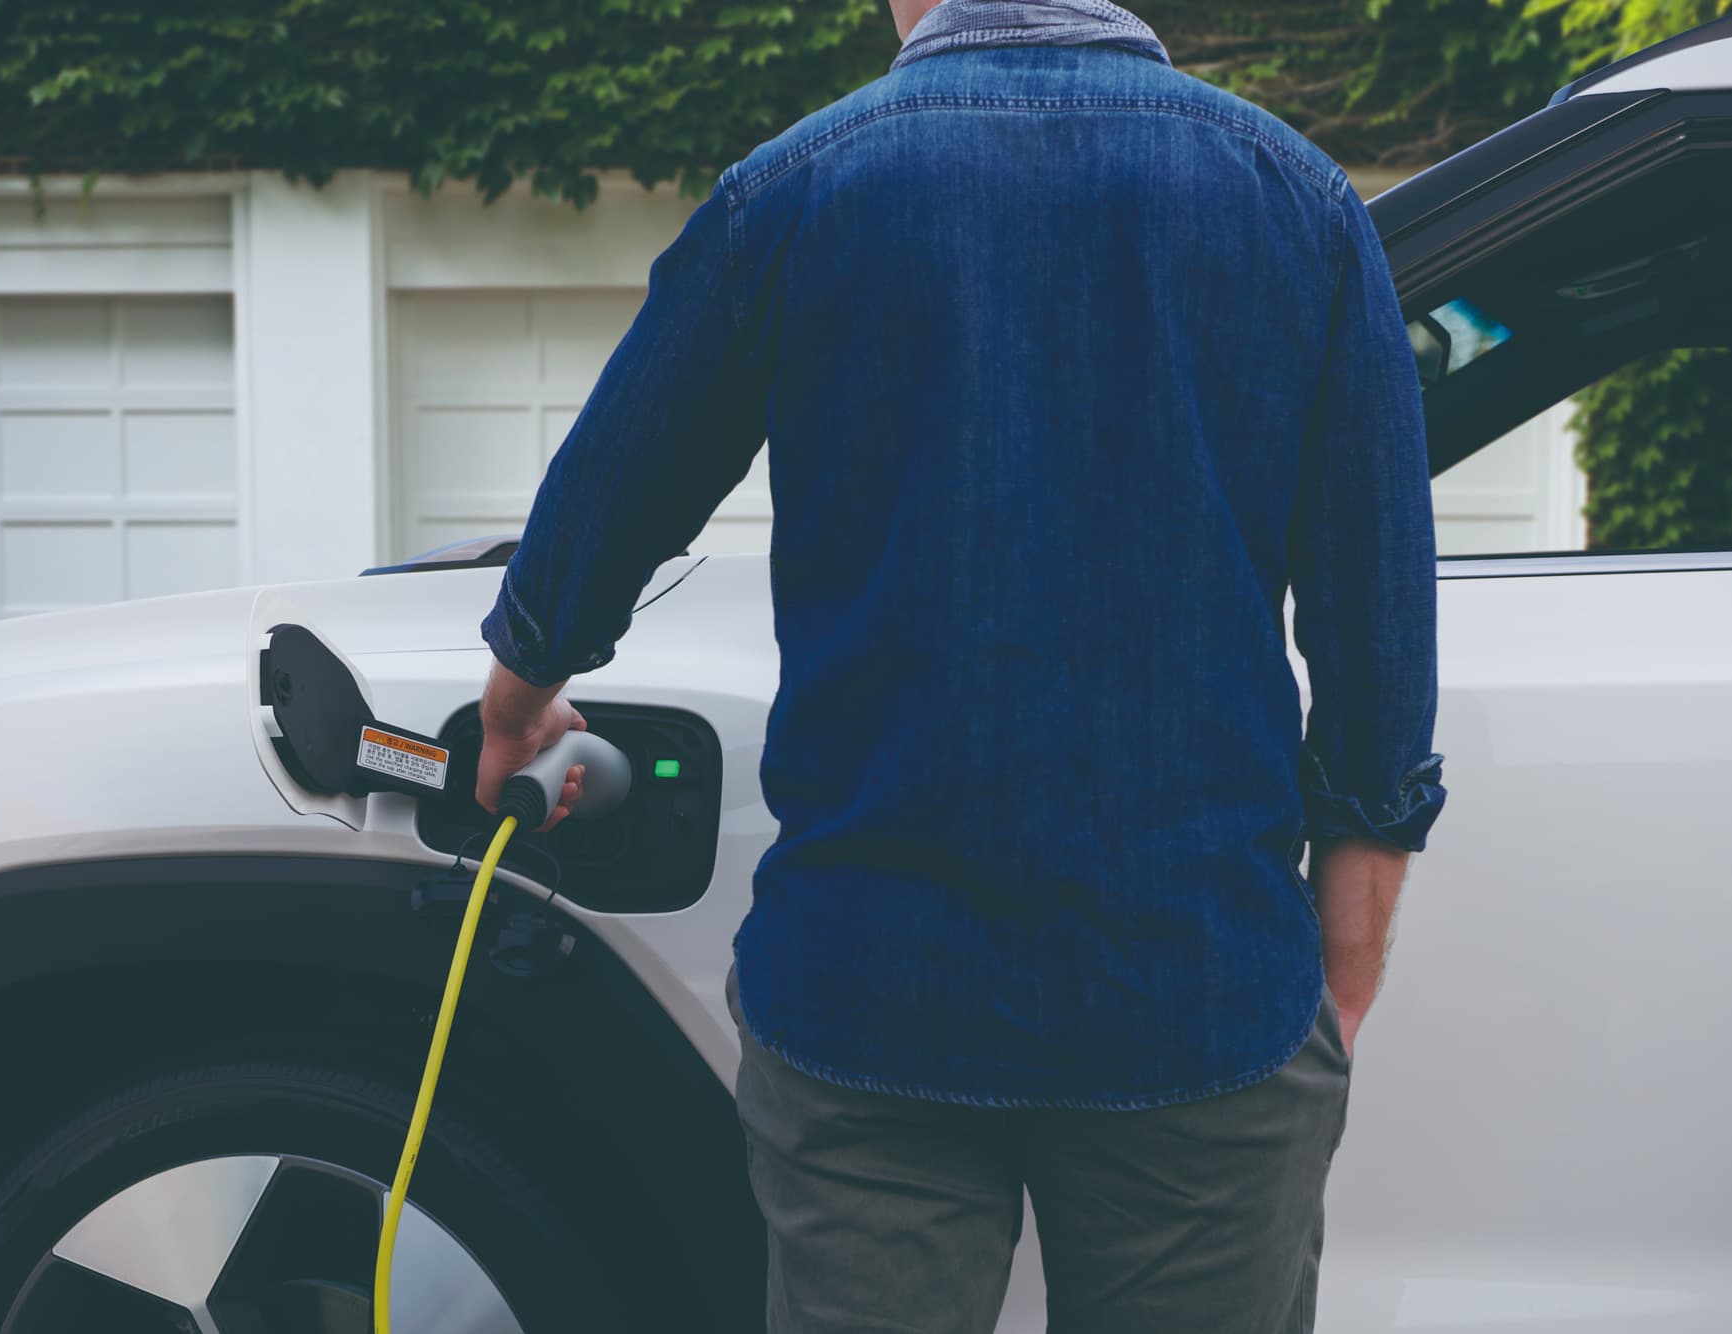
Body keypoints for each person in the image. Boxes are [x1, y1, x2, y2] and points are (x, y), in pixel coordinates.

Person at [473, 0, 1446, 1329]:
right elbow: (1377, 616)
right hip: (1199, 992)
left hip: (867, 1001)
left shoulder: (798, 189)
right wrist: (1341, 956)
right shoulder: (1297, 199)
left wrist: (517, 700)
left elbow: (608, 502)